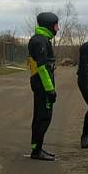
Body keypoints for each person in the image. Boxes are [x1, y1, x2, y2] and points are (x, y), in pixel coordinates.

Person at [27, 12, 59, 161]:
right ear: (49, 25)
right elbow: (42, 67)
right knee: (43, 117)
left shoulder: (42, 39)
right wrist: (50, 89)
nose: (57, 29)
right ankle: (36, 151)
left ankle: (37, 147)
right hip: (42, 85)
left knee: (40, 117)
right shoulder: (40, 41)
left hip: (40, 83)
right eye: (56, 25)